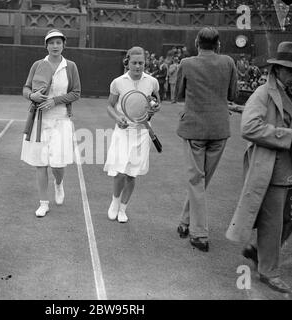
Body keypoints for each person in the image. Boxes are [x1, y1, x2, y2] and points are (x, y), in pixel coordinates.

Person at [226, 42, 292, 294]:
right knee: (272, 224)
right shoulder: (263, 93)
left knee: (287, 219)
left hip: (288, 169)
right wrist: (287, 135)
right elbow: (249, 128)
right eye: (289, 70)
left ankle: (256, 250)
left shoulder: (288, 91)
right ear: (277, 69)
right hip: (273, 171)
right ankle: (268, 272)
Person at [175, 27, 237, 251]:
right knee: (201, 182)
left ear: (196, 43)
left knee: (196, 181)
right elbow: (233, 94)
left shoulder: (187, 63)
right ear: (218, 44)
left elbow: (177, 94)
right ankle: (185, 222)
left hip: (195, 129)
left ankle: (199, 233)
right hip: (219, 129)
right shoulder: (228, 62)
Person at [21, 29, 81, 217]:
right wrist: (32, 95)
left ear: (64, 45)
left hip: (61, 119)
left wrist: (55, 101)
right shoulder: (38, 64)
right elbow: (25, 88)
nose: (55, 46)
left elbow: (76, 93)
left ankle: (59, 183)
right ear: (46, 45)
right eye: (51, 42)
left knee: (57, 165)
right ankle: (43, 203)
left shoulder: (70, 66)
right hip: (40, 120)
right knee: (41, 163)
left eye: (58, 42)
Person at [104, 46, 161, 223]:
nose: (138, 66)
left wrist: (155, 108)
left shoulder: (152, 81)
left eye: (141, 63)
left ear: (145, 63)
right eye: (134, 63)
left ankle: (123, 208)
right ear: (127, 62)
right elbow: (109, 106)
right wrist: (118, 118)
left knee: (131, 174)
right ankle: (114, 203)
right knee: (120, 171)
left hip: (142, 133)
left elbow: (156, 103)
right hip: (123, 131)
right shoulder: (118, 82)